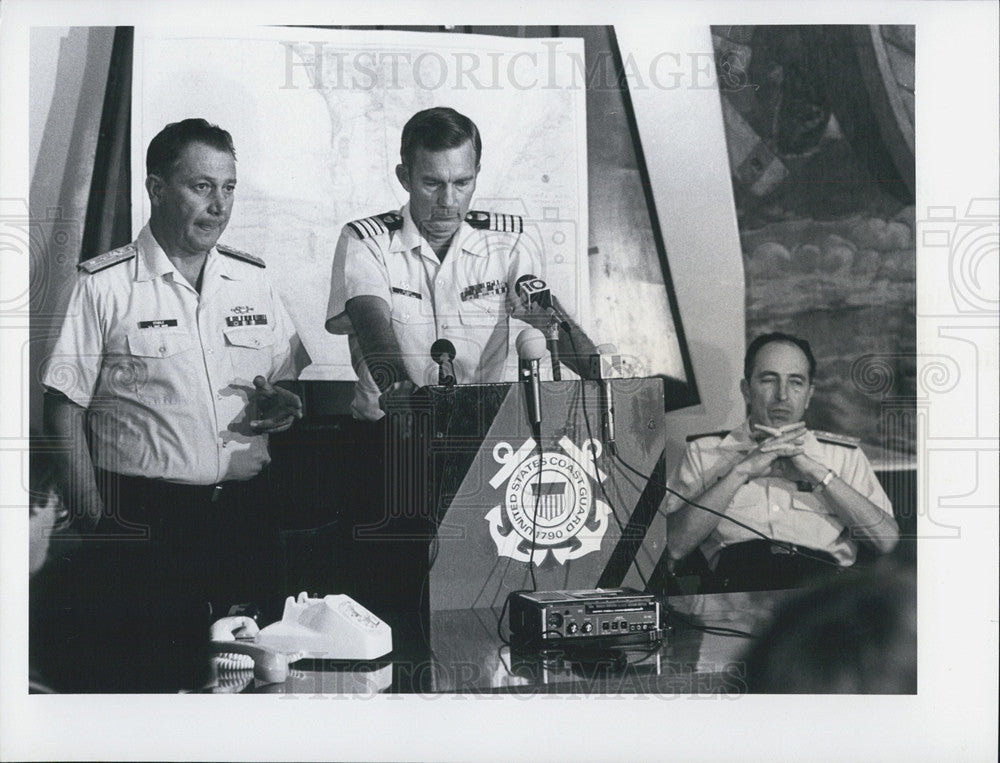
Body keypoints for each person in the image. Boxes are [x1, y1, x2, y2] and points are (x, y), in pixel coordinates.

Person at [41, 118, 309, 628]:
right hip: (146, 520)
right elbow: (62, 408)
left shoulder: (253, 279)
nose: (220, 205)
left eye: (228, 188)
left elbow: (284, 380)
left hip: (245, 520)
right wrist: (95, 522)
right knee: (155, 680)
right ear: (156, 189)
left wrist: (284, 404)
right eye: (202, 186)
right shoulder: (104, 285)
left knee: (257, 676)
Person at [325, 105, 596, 421]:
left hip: (481, 430)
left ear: (477, 174)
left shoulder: (507, 243)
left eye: (462, 182)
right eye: (432, 183)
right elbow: (373, 325)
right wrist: (399, 390)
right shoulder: (366, 241)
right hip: (391, 428)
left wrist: (601, 376)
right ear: (405, 177)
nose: (449, 201)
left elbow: (548, 319)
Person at [663, 332, 898, 591]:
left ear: (809, 395)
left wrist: (819, 474)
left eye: (795, 382)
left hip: (819, 596)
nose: (782, 395)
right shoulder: (705, 453)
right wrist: (741, 471)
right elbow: (672, 548)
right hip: (734, 592)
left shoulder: (844, 456)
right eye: (768, 380)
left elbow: (889, 543)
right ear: (747, 390)